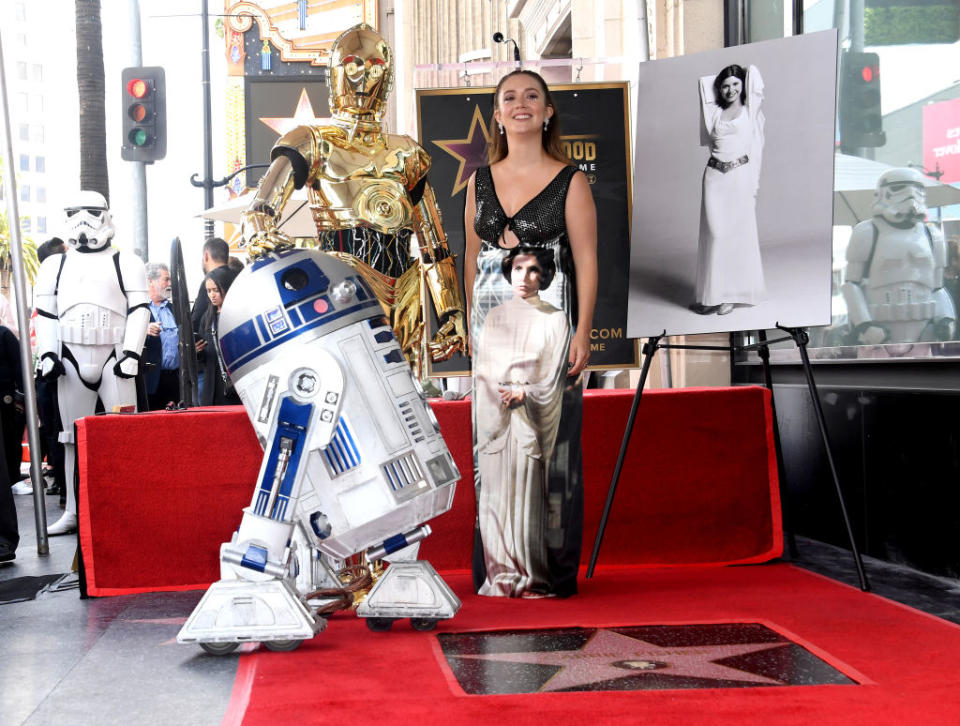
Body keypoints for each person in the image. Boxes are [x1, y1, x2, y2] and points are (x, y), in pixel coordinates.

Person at [239, 23, 465, 377]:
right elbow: (262, 206)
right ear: (335, 72)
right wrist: (260, 229)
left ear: (386, 76)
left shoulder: (406, 152)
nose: (363, 78)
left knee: (410, 404)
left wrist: (451, 312)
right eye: (352, 65)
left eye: (374, 67)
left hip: (406, 294)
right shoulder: (311, 140)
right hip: (341, 287)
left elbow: (433, 244)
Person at [463, 69, 597, 598]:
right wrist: (467, 326)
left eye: (532, 96)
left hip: (549, 327)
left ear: (547, 113)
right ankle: (498, 570)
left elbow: (586, 259)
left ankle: (549, 572)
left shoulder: (572, 179)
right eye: (510, 97)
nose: (521, 104)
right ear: (497, 114)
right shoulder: (479, 181)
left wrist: (583, 330)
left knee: (550, 443)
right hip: (490, 332)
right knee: (492, 444)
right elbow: (473, 258)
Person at [34, 192, 150, 536]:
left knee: (122, 437)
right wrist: (49, 354)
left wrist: (131, 352)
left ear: (107, 216)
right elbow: (47, 312)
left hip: (114, 355)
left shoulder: (126, 262)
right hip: (70, 355)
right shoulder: (55, 265)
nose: (83, 219)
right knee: (70, 439)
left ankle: (127, 506)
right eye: (74, 212)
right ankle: (73, 508)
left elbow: (139, 309)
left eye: (92, 212)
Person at [474, 248, 570, 596]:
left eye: (533, 270)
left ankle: (530, 577)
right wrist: (499, 396)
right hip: (496, 422)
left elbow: (553, 377)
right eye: (518, 268)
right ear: (508, 271)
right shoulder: (495, 317)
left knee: (528, 504)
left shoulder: (555, 319)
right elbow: (483, 372)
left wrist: (525, 394)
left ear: (544, 275)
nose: (524, 277)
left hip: (528, 425)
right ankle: (499, 575)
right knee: (495, 501)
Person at [691, 63, 766, 316]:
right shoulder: (713, 114)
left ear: (744, 85)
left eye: (735, 83)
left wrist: (742, 73)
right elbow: (703, 85)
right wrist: (719, 83)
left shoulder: (751, 111)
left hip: (739, 177)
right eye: (725, 85)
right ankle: (711, 295)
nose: (730, 89)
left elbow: (755, 77)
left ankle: (730, 296)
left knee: (734, 236)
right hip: (714, 178)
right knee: (715, 235)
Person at [34, 238, 67, 501]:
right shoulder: (49, 290)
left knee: (59, 429)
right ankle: (64, 485)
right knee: (57, 430)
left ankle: (65, 485)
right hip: (51, 372)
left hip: (61, 370)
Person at [199, 266, 240, 406]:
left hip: (233, 384)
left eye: (216, 290)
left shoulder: (236, 315)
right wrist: (198, 351)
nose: (212, 295)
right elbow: (205, 358)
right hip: (212, 385)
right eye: (209, 291)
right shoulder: (207, 318)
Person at [143, 263, 181, 410]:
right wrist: (143, 331)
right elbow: (123, 335)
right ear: (151, 281)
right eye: (166, 279)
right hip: (151, 382)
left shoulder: (174, 309)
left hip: (174, 381)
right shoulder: (139, 309)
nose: (170, 284)